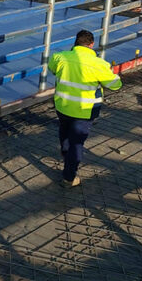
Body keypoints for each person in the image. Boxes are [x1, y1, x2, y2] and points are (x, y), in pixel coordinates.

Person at [48, 30, 122, 188]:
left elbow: (53, 68)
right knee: (77, 143)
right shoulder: (99, 64)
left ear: (76, 42)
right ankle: (69, 177)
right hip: (85, 110)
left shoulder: (60, 57)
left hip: (62, 106)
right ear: (92, 44)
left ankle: (66, 155)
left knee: (64, 131)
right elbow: (115, 85)